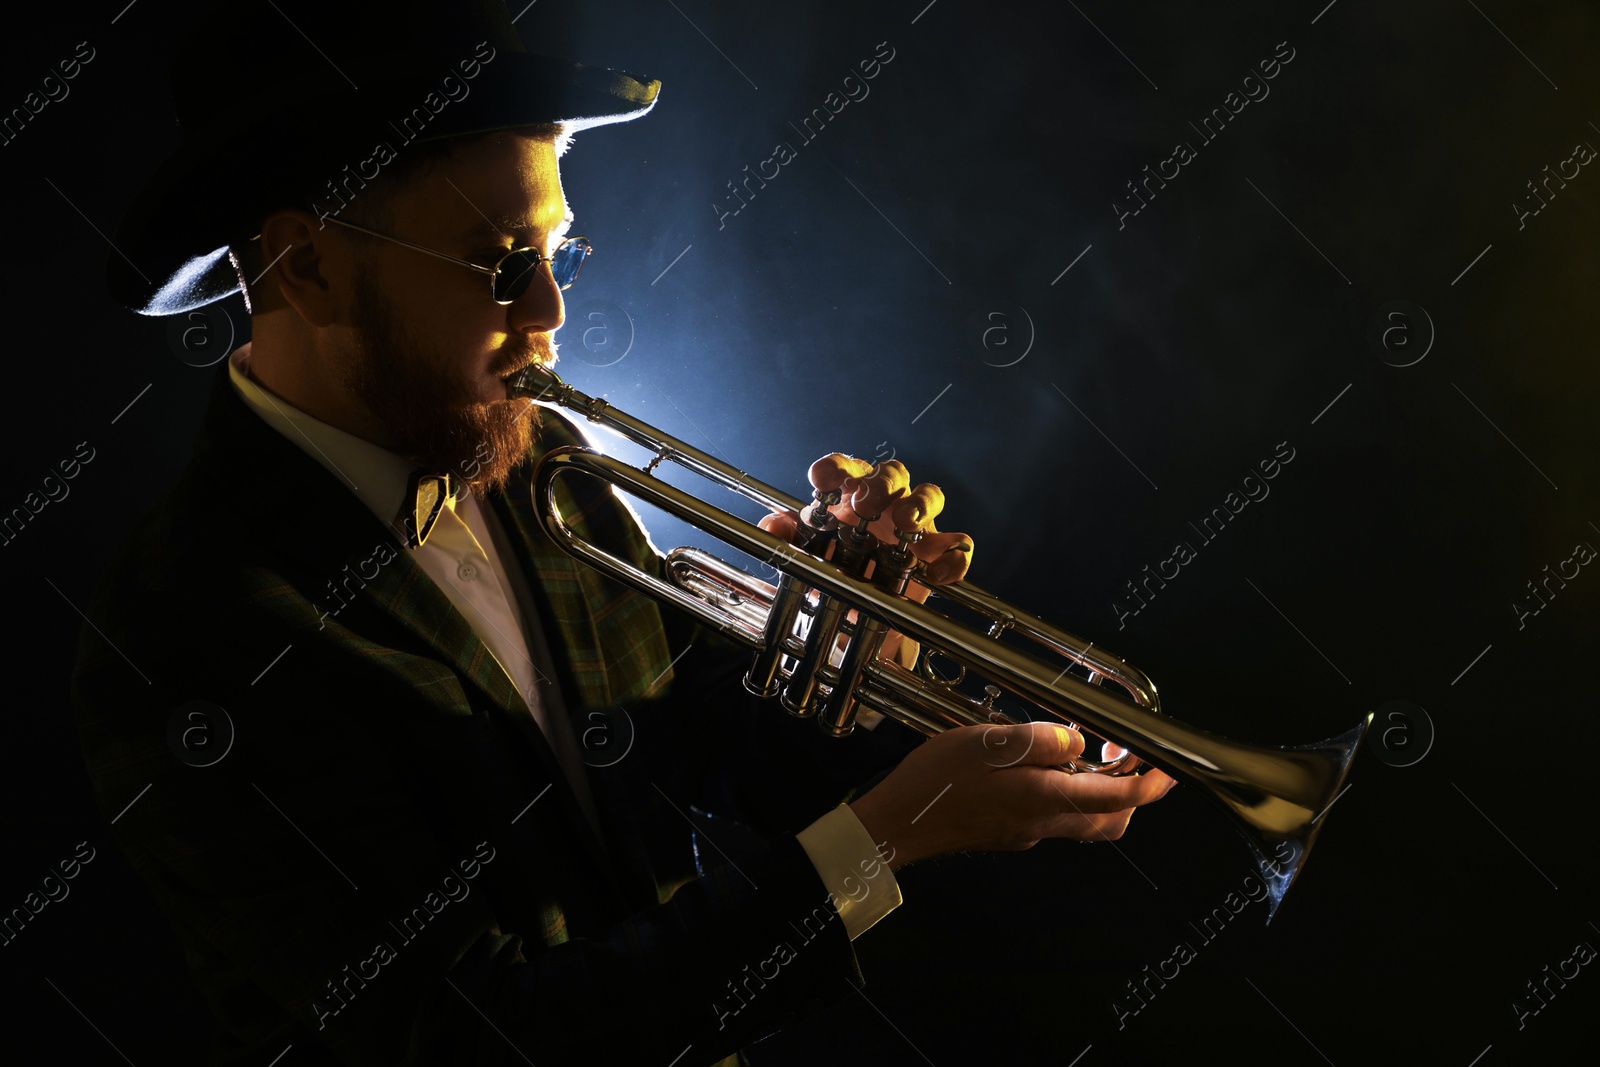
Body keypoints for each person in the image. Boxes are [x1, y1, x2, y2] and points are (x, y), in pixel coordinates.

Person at [71, 3, 1175, 1064]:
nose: (551, 311)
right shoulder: (185, 629)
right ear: (306, 265)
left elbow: (695, 747)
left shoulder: (536, 454)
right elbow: (475, 1031)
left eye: (566, 254)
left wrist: (856, 651)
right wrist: (880, 840)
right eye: (503, 262)